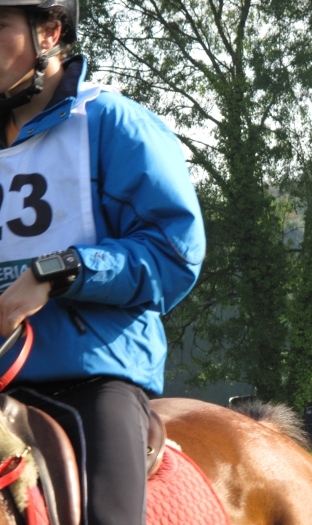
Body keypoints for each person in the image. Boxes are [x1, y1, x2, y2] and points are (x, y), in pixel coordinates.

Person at [0, 1, 206, 523]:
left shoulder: (113, 122)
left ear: (49, 32)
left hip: (88, 378)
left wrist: (56, 272)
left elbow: (173, 253)